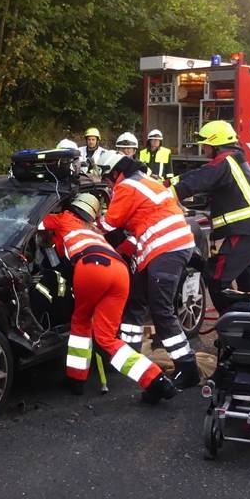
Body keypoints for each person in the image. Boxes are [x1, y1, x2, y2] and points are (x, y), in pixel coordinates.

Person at [39, 193, 178, 402]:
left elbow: (32, 223)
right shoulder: (93, 230)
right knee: (107, 338)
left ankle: (76, 380)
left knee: (81, 322)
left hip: (91, 268)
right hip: (119, 272)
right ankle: (156, 380)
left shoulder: (63, 218)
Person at [96, 150, 200, 390]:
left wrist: (84, 224)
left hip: (167, 247)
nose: (107, 183)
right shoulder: (145, 180)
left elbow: (108, 224)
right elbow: (138, 224)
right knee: (135, 299)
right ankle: (131, 355)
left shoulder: (126, 187)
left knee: (160, 308)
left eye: (107, 178)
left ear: (115, 173)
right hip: (162, 246)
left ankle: (187, 366)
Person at [170, 121, 250, 314]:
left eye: (206, 145)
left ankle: (230, 322)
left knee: (216, 279)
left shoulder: (224, 161)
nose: (204, 149)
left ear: (216, 144)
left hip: (243, 230)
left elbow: (197, 181)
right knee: (249, 282)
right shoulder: (232, 160)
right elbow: (198, 174)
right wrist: (170, 181)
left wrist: (167, 193)